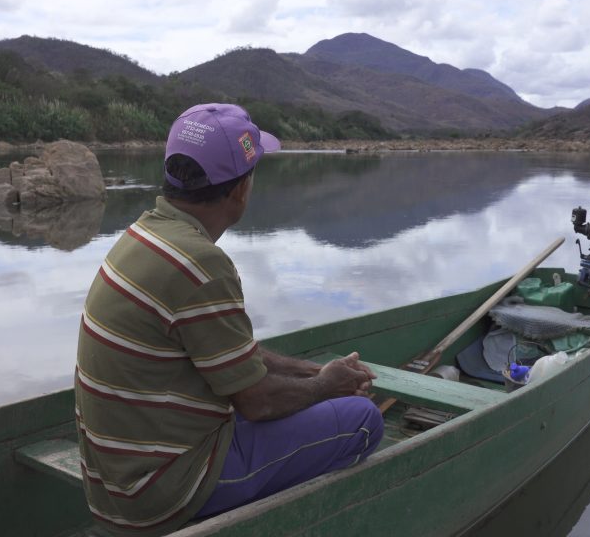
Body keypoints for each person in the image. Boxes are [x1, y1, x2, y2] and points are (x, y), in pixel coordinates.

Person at [75, 103, 384, 535]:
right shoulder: (201, 265)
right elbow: (257, 404)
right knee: (363, 419)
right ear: (240, 190)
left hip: (115, 486)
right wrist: (324, 388)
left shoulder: (143, 235)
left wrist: (312, 371)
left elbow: (228, 354)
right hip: (168, 492)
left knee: (322, 399)